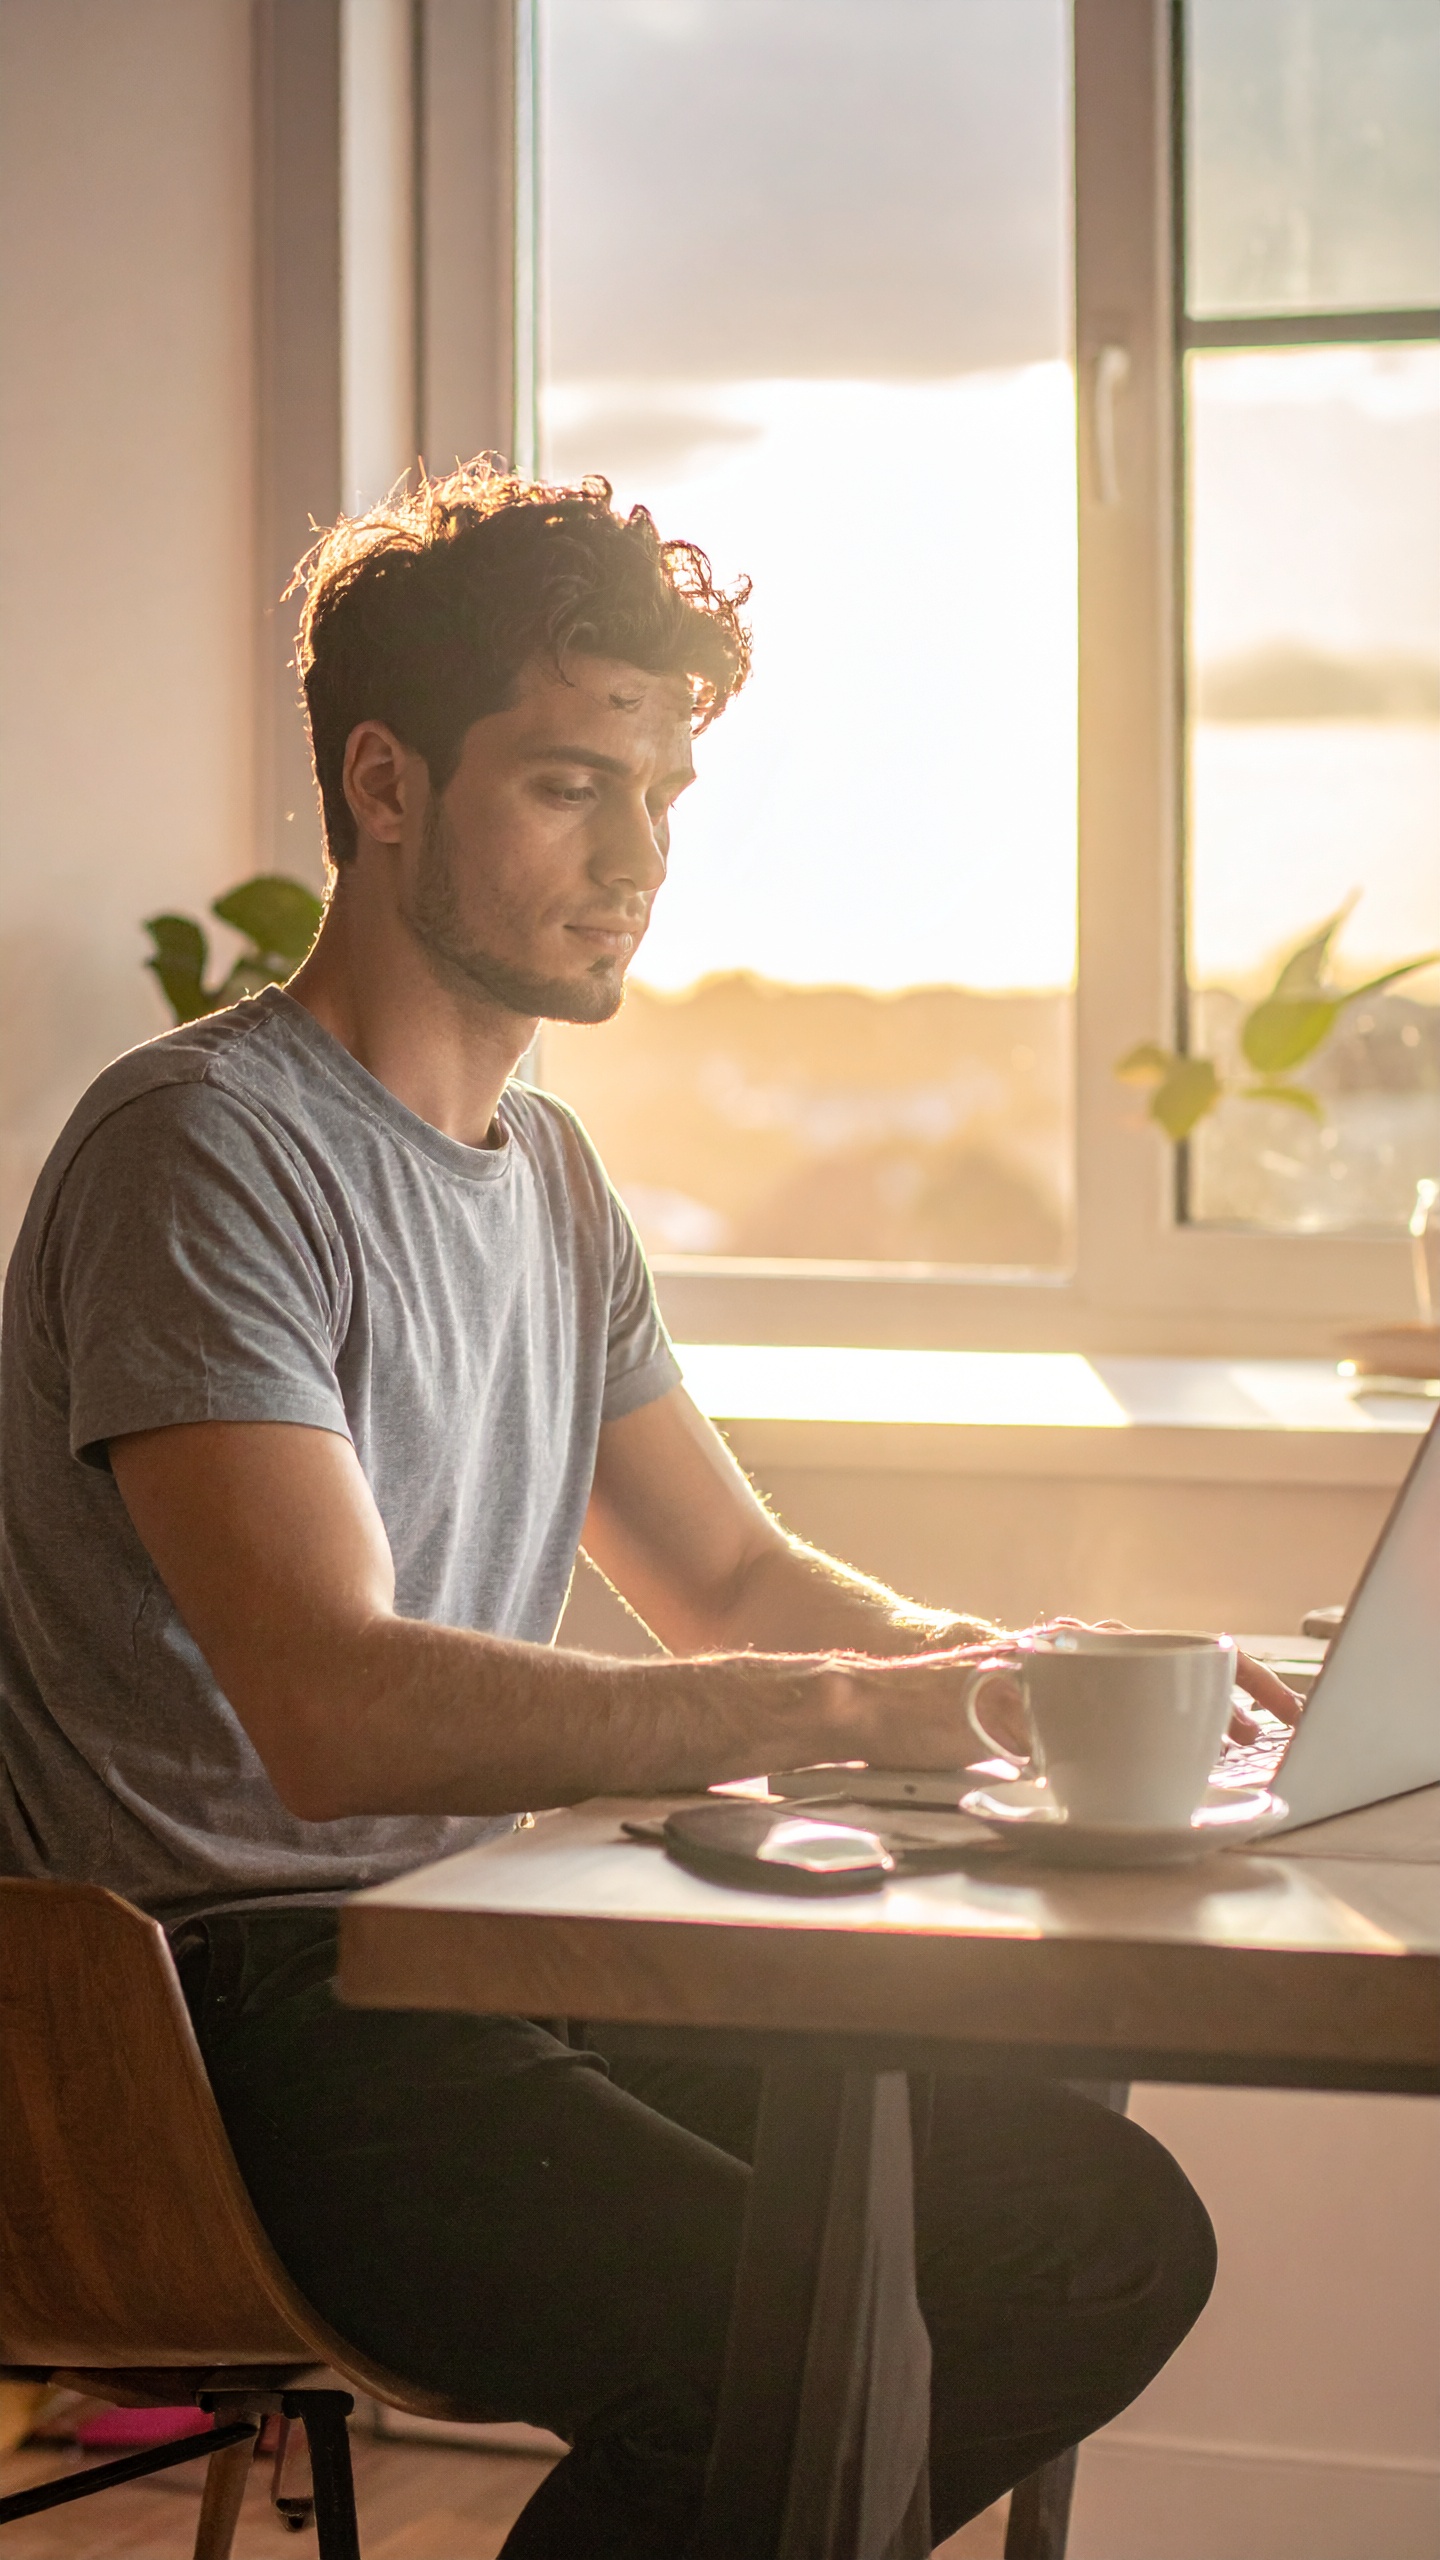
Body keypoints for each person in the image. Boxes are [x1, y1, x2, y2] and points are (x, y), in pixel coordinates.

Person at [0, 464, 1289, 2554]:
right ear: (388, 782)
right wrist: (856, 1714)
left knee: (1095, 2229)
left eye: (667, 796)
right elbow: (336, 1711)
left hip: (459, 1963)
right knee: (786, 2340)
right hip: (212, 2018)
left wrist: (1032, 1676)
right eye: (574, 787)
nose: (640, 862)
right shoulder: (202, 1151)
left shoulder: (551, 1181)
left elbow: (736, 1576)